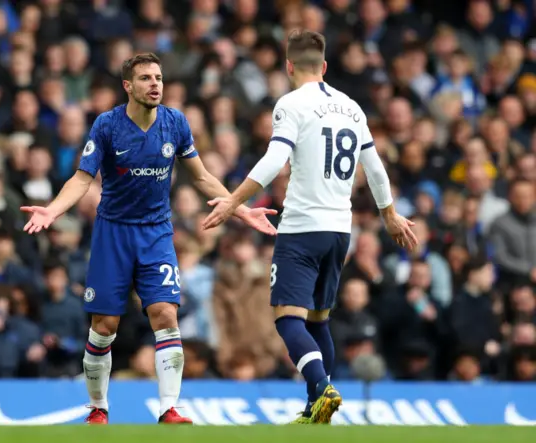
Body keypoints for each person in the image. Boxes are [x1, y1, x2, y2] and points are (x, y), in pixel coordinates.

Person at [21, 53, 277, 425]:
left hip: (156, 233)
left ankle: (169, 407)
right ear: (128, 86)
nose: (155, 84)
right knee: (103, 327)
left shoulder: (175, 123)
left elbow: (202, 177)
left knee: (165, 314)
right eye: (145, 78)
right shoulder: (107, 126)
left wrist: (241, 207)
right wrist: (52, 210)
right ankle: (97, 407)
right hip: (113, 233)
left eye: (158, 77)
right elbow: (82, 179)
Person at [202, 30, 418, 424]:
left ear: (288, 66)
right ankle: (315, 410)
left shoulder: (290, 104)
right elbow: (375, 169)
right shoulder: (352, 107)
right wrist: (389, 214)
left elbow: (274, 158)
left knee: (288, 318)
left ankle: (322, 386)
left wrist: (234, 200)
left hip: (302, 228)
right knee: (318, 319)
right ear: (324, 67)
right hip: (340, 231)